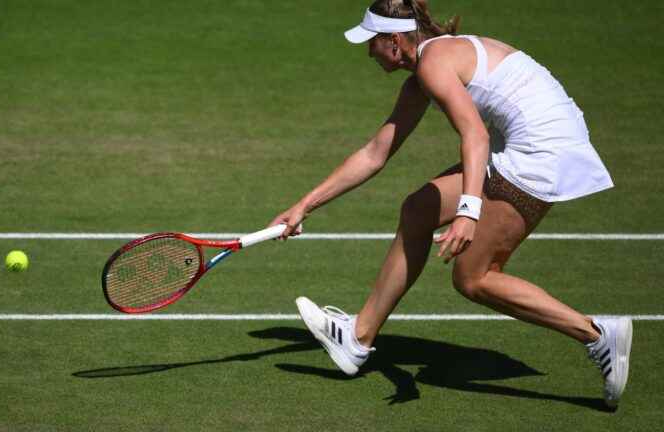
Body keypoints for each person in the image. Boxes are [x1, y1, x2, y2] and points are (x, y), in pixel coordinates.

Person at [269, 0, 632, 409]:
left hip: (543, 151)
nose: (368, 52)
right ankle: (358, 338)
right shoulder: (429, 65)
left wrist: (468, 212)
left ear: (393, 41)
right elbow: (375, 153)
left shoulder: (433, 62)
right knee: (418, 210)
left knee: (474, 278)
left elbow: (474, 136)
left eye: (371, 42)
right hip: (538, 140)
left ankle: (598, 335)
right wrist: (305, 205)